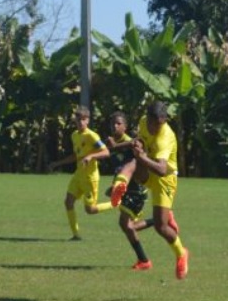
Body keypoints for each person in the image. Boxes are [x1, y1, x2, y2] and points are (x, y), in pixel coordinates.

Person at [109, 101, 189, 279]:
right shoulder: (144, 121)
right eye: (153, 123)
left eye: (159, 124)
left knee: (161, 227)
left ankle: (181, 253)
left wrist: (142, 156)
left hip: (165, 179)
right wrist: (135, 148)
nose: (154, 127)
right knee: (133, 162)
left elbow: (161, 169)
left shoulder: (166, 136)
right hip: (147, 169)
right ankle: (119, 187)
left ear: (164, 121)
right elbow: (139, 142)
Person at [48, 105, 112, 241]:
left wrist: (90, 156)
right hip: (78, 176)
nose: (81, 122)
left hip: (90, 178)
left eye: (83, 119)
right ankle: (76, 235)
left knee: (90, 210)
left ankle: (115, 203)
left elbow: (106, 152)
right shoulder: (74, 135)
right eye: (78, 120)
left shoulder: (92, 136)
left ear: (87, 120)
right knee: (68, 202)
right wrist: (58, 164)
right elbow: (76, 156)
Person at [104, 111, 158, 270]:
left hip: (137, 191)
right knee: (127, 225)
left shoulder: (130, 143)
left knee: (127, 225)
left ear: (125, 126)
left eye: (118, 123)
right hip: (127, 190)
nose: (115, 126)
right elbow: (120, 169)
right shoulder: (112, 144)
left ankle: (159, 223)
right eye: (113, 124)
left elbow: (137, 145)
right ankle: (144, 259)